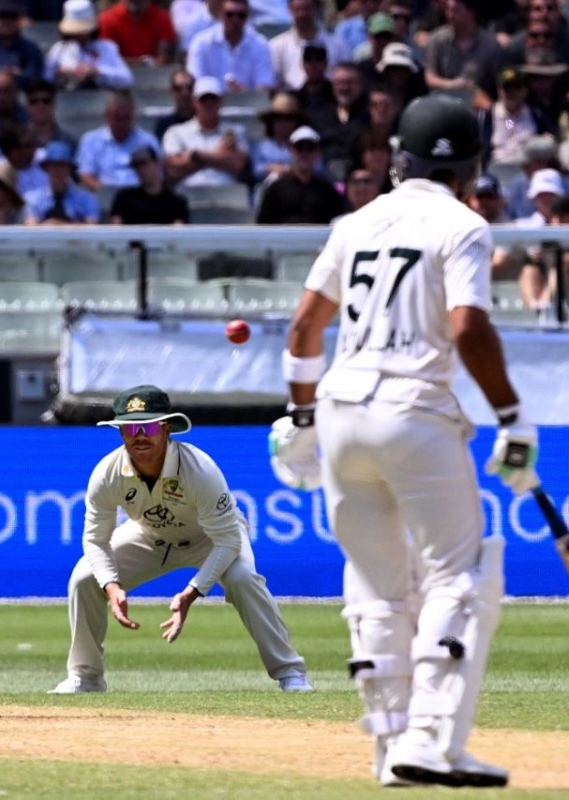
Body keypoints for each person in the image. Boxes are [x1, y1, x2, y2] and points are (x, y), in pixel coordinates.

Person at [269, 95, 532, 788]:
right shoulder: (465, 225)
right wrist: (511, 416)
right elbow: (470, 326)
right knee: (461, 574)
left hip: (341, 415)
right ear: (472, 167)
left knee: (380, 591)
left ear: (398, 161)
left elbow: (302, 332)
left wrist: (300, 423)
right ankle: (430, 738)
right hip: (413, 410)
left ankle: (388, 752)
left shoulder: (354, 221)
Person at [49, 385, 312, 695]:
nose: (140, 435)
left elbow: (229, 540)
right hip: (149, 536)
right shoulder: (106, 474)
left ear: (166, 428)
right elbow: (95, 540)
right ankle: (86, 677)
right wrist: (112, 585)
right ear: (120, 433)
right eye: (131, 427)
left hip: (212, 538)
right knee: (83, 578)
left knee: (243, 578)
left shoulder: (199, 470)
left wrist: (192, 591)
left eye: (147, 426)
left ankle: (291, 673)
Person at [255, 126, 346, 223]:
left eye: (310, 148)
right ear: (291, 150)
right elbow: (263, 224)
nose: (304, 153)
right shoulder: (276, 189)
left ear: (318, 152)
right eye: (299, 148)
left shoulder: (328, 191)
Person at [109, 145, 190, 224]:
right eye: (136, 166)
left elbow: (179, 233)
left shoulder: (176, 202)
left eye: (144, 164)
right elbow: (115, 231)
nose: (140, 169)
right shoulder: (124, 199)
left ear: (158, 164)